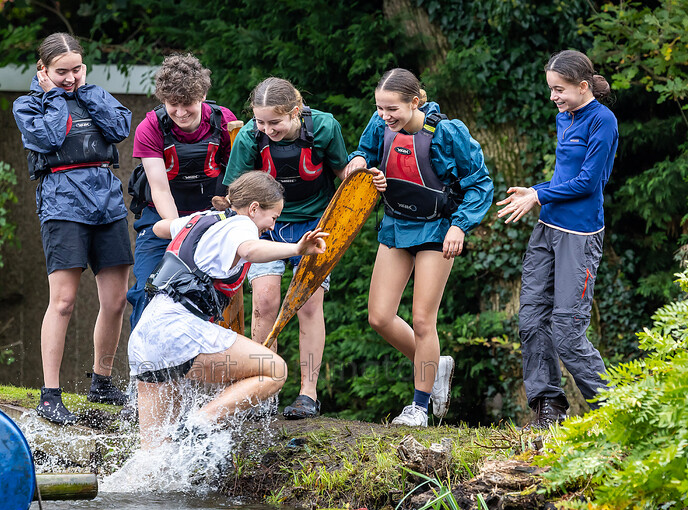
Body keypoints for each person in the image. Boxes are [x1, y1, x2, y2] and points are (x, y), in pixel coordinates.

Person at [128, 171, 327, 447]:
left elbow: (161, 228)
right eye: (274, 217)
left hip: (146, 334)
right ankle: (198, 424)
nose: (272, 226)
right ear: (254, 208)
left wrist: (184, 224)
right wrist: (296, 248)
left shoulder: (202, 218)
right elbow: (250, 251)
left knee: (155, 456)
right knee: (274, 370)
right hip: (177, 331)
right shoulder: (242, 225)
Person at [345, 68, 494, 427]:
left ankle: (419, 408)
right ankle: (435, 364)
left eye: (392, 108)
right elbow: (365, 151)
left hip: (437, 229)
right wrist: (361, 164)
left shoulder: (447, 132)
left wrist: (460, 225)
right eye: (380, 108)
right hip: (396, 224)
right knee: (379, 317)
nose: (385, 116)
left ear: (416, 101)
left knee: (423, 320)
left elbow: (480, 183)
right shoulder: (380, 125)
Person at [12, 33, 133, 425]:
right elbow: (49, 137)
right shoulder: (28, 104)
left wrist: (85, 92)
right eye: (61, 71)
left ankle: (101, 381)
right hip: (62, 204)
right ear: (42, 69)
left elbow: (118, 129)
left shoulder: (92, 93)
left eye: (76, 69)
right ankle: (50, 395)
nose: (70, 77)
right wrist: (54, 97)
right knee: (63, 302)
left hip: (108, 202)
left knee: (116, 300)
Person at [497, 50, 618, 429]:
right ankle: (548, 406)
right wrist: (537, 191)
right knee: (532, 320)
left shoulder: (604, 121)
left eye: (560, 89)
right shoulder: (564, 118)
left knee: (567, 332)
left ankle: (615, 411)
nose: (554, 97)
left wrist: (538, 194)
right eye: (551, 89)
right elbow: (564, 176)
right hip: (547, 230)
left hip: (580, 237)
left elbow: (588, 183)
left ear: (583, 87)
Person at [223, 77, 348, 420]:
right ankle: (262, 390)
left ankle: (308, 393)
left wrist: (362, 172)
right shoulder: (250, 135)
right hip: (265, 224)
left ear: (295, 112)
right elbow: (236, 192)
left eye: (274, 122)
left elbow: (344, 173)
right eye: (260, 121)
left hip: (315, 224)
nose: (266, 129)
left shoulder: (323, 127)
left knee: (308, 307)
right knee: (264, 303)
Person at [126, 53, 238, 329]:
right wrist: (181, 233)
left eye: (187, 103)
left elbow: (237, 179)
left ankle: (202, 368)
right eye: (172, 104)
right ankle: (145, 369)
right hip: (162, 221)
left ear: (201, 95)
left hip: (212, 219)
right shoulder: (150, 127)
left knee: (204, 295)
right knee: (148, 290)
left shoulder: (225, 122)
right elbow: (160, 189)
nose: (180, 112)